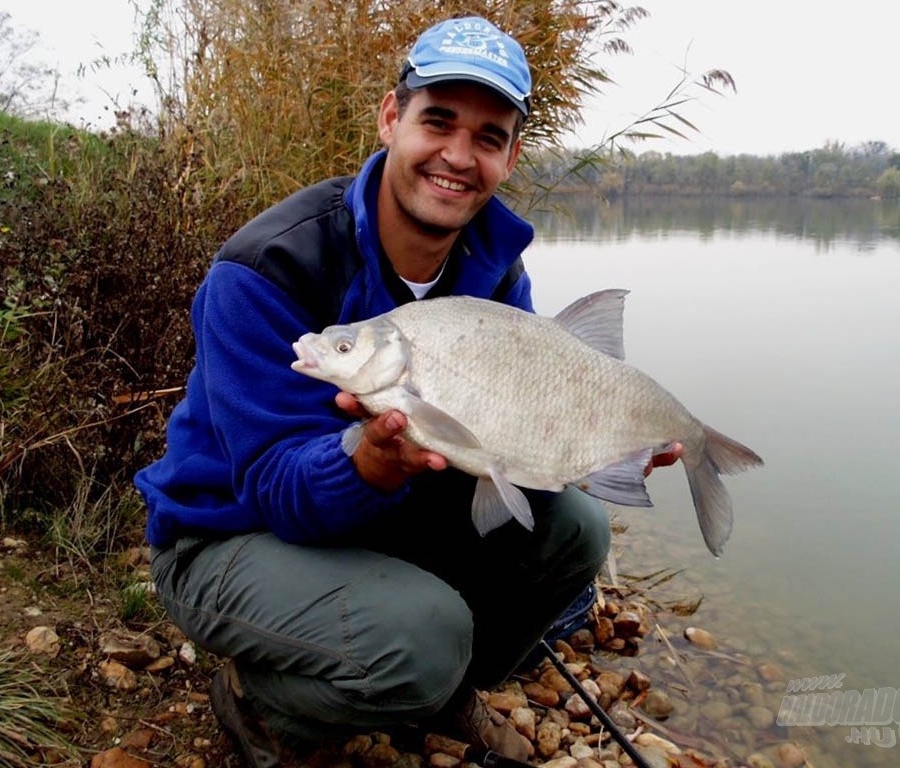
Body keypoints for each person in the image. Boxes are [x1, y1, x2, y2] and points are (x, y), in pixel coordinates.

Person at [136, 15, 681, 768]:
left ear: (511, 156)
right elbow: (269, 487)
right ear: (391, 118)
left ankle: (437, 688)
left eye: (489, 137)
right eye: (439, 122)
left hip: (380, 516)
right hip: (227, 533)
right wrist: (369, 463)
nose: (459, 157)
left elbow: (506, 433)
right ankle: (266, 704)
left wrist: (587, 445)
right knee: (422, 638)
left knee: (577, 529)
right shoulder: (266, 268)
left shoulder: (495, 267)